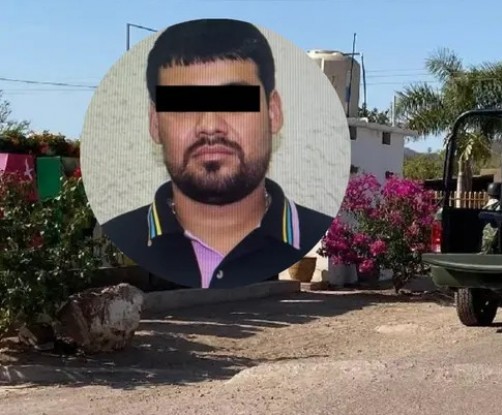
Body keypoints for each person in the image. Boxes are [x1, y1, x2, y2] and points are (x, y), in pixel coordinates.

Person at [100, 19, 333, 289]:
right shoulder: (124, 235)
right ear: (155, 122)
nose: (210, 126)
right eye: (184, 104)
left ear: (273, 113)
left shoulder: (310, 230)